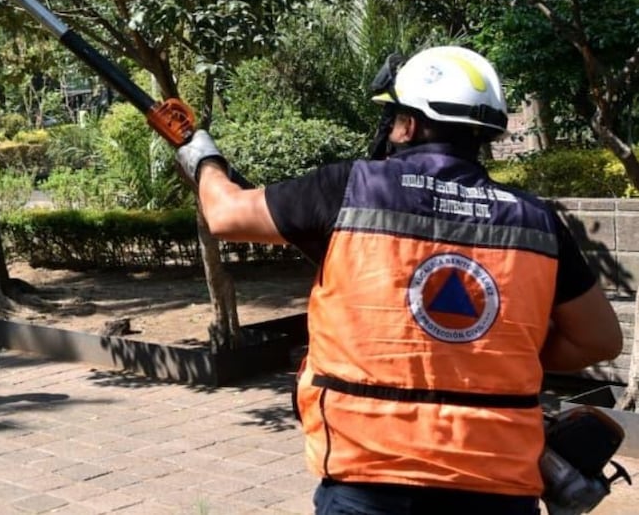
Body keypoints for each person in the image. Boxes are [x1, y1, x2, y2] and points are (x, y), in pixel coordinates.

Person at [175, 46, 623, 515]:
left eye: (393, 119)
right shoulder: (537, 222)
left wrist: (204, 159)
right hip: (497, 485)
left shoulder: (350, 186)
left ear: (408, 125)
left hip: (368, 481)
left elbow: (225, 213)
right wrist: (490, 348)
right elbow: (600, 339)